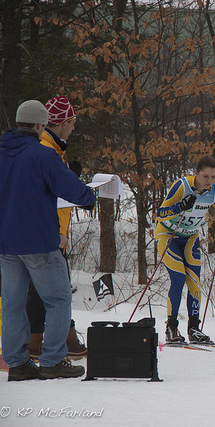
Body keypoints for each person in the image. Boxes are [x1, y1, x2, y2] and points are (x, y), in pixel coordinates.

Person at [0, 100, 95, 381]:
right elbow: (71, 189)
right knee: (58, 299)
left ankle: (17, 363)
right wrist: (88, 196)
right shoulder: (43, 154)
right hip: (38, 241)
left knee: (13, 303)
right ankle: (52, 360)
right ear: (41, 125)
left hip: (6, 242)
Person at [26, 95, 88, 360]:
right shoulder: (46, 149)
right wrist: (60, 232)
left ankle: (42, 340)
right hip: (47, 231)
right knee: (53, 290)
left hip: (47, 230)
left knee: (45, 288)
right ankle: (52, 342)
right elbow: (51, 197)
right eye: (72, 123)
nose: (73, 129)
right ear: (63, 123)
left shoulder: (53, 148)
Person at [156, 156, 215, 344]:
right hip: (168, 235)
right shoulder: (182, 186)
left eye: (213, 177)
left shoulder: (214, 191)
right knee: (178, 278)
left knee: (194, 281)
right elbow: (160, 214)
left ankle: (194, 329)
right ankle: (171, 328)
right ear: (196, 173)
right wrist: (179, 207)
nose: (209, 181)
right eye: (205, 176)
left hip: (190, 237)